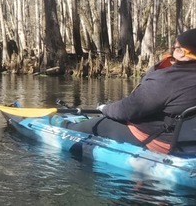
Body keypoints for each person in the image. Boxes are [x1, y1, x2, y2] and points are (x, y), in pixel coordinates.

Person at [68, 28, 196, 154]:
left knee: (86, 127)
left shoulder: (166, 80)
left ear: (181, 53)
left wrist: (105, 108)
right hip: (189, 142)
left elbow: (126, 110)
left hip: (158, 141)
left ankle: (67, 126)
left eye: (175, 48)